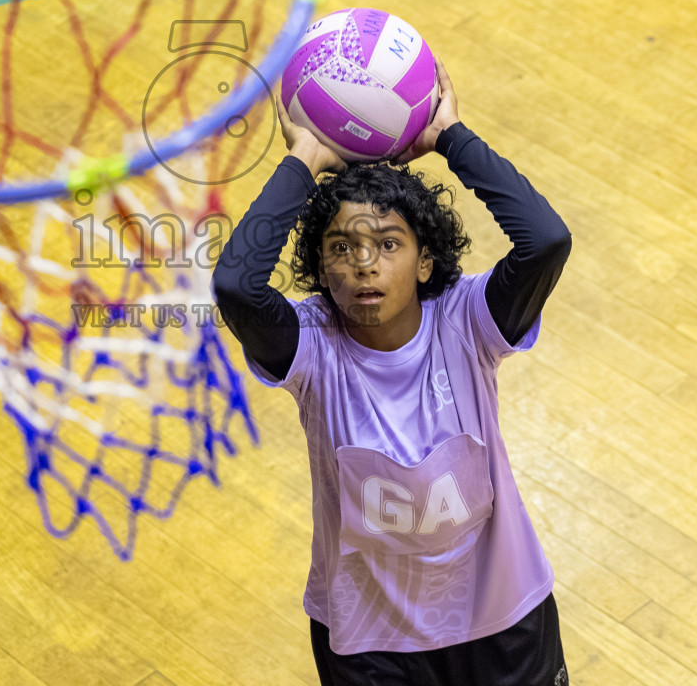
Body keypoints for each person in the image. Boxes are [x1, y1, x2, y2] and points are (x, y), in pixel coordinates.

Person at [211, 58, 573, 686]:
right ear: (322, 273)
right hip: (370, 640)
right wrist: (304, 161)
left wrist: (451, 138)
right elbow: (236, 285)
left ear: (426, 262)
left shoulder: (468, 320)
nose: (364, 264)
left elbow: (544, 240)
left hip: (502, 615)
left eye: (387, 243)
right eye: (341, 248)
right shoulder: (312, 346)